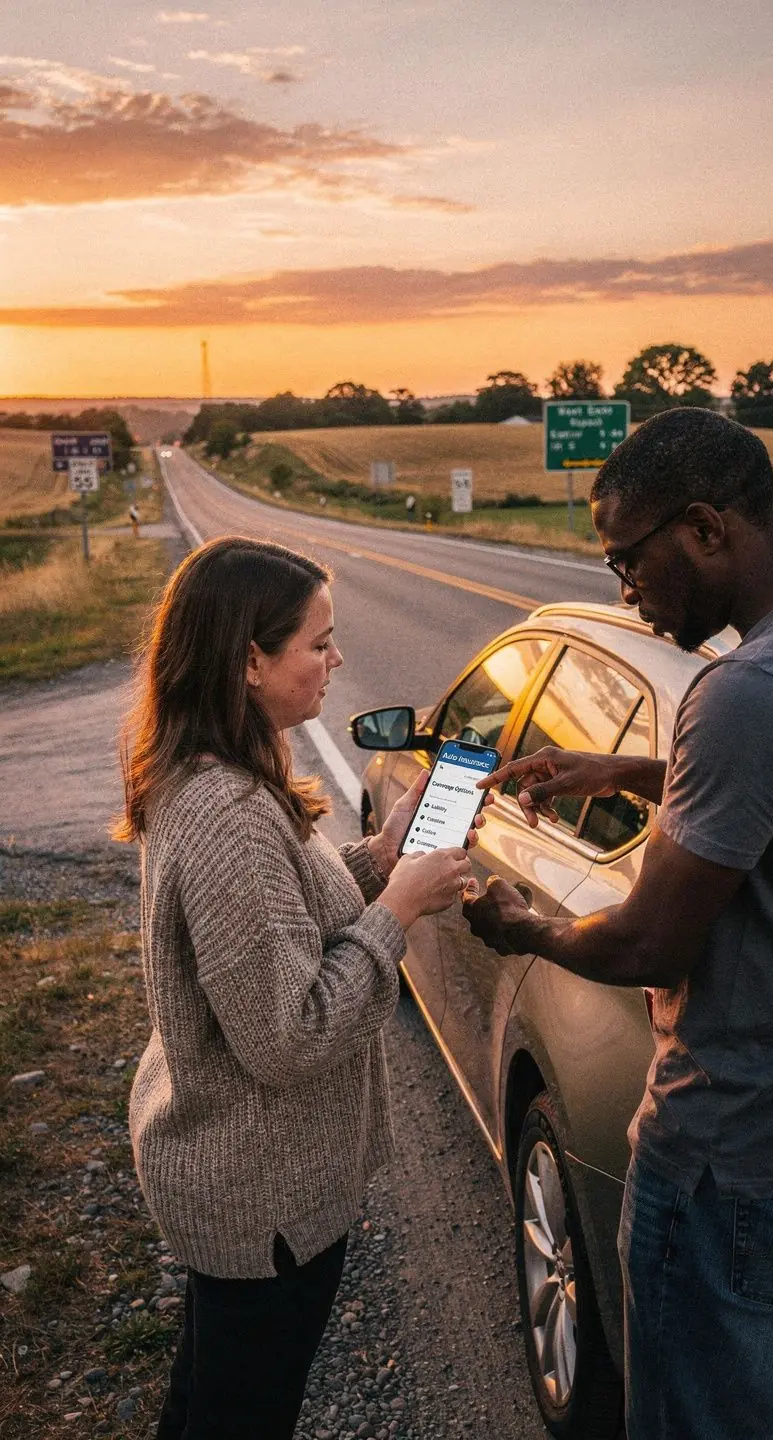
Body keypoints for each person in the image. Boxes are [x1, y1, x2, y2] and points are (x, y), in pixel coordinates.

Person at [462, 409, 773, 1440]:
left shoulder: (742, 693)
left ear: (705, 529)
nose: (627, 592)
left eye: (629, 561)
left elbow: (648, 944)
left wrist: (522, 928)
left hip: (730, 1159)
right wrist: (632, 770)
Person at [114, 536, 474, 1439]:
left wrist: (379, 855)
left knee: (209, 1399)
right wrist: (399, 909)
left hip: (236, 1174)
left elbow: (277, 919)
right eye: (317, 643)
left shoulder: (222, 776)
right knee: (242, 1416)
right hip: (258, 1193)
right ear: (248, 659)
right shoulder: (227, 813)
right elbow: (290, 1034)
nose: (335, 659)